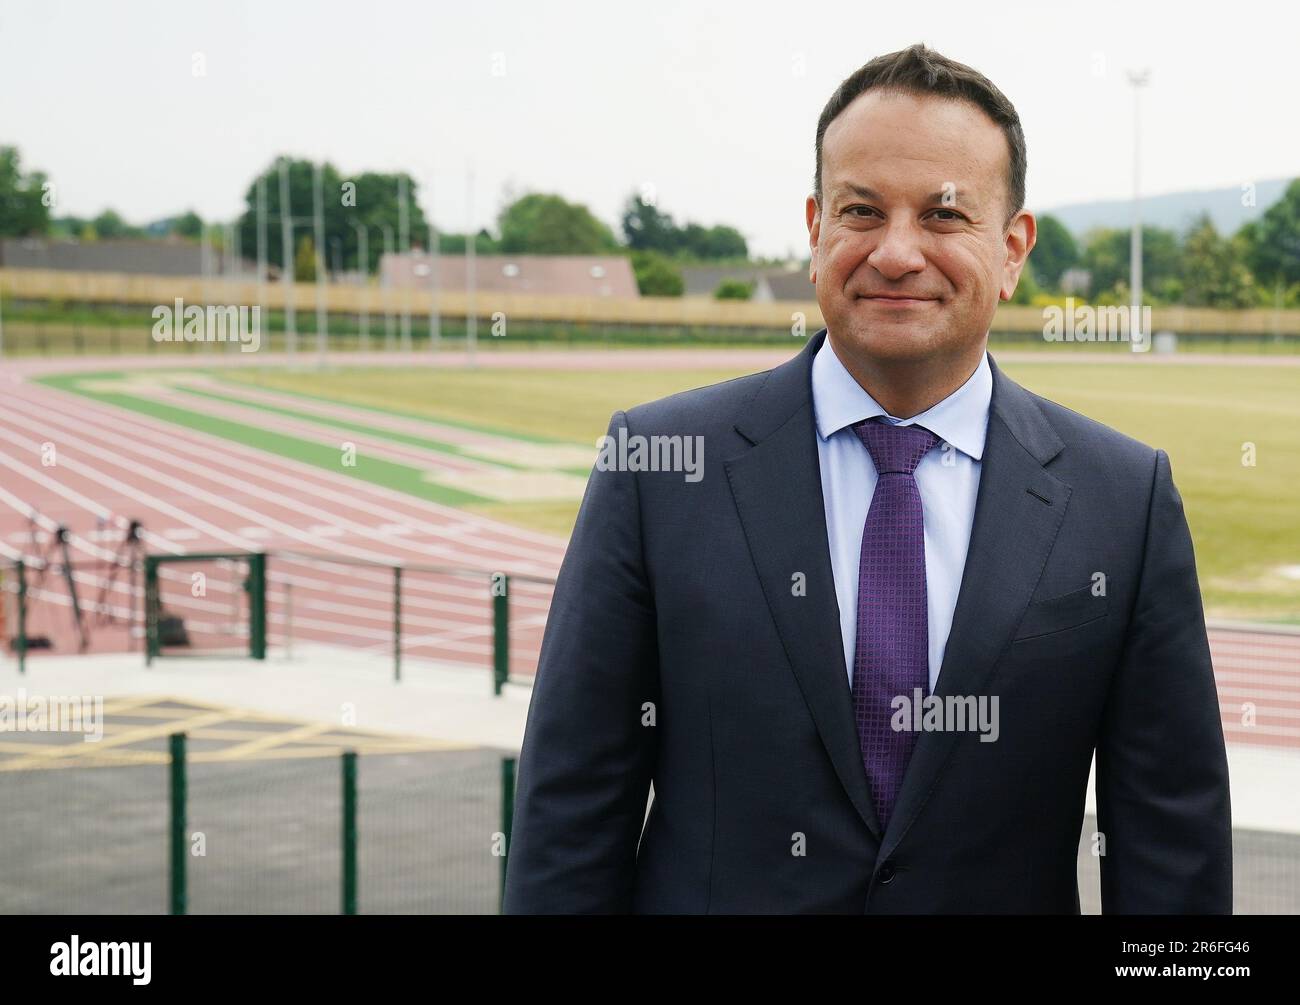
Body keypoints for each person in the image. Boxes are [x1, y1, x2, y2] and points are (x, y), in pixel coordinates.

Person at [503, 43, 1232, 914]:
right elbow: (570, 813)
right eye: (861, 210)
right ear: (815, 230)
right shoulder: (656, 468)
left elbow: (1171, 849)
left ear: (1012, 249)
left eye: (943, 215)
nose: (895, 252)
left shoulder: (1126, 499)